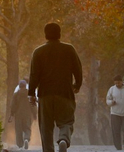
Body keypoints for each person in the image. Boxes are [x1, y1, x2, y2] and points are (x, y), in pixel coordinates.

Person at [28, 23, 83, 152]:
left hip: (45, 95)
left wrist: (31, 93)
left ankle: (49, 150)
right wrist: (77, 84)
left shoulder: (38, 52)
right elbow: (78, 69)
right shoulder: (69, 49)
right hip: (65, 94)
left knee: (46, 127)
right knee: (66, 121)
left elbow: (34, 74)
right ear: (59, 33)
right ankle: (63, 139)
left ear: (45, 34)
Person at [9, 79, 36, 149]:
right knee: (27, 128)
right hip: (27, 114)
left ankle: (20, 145)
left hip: (18, 115)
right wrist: (34, 114)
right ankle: (26, 139)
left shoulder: (16, 94)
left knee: (18, 130)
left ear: (19, 86)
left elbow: (13, 105)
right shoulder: (30, 94)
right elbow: (33, 105)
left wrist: (12, 114)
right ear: (25, 86)